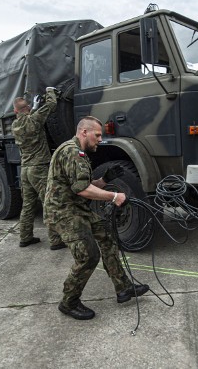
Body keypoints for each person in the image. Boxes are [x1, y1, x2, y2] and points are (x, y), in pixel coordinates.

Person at [44, 116, 149, 320]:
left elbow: (81, 184)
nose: (100, 139)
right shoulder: (72, 152)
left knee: (107, 238)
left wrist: (104, 180)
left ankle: (123, 288)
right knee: (88, 256)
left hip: (77, 208)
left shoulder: (78, 151)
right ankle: (69, 302)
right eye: (97, 135)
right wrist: (114, 196)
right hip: (63, 212)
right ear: (84, 132)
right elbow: (82, 190)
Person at [11, 88, 65, 250]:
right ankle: (55, 240)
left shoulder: (15, 125)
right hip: (39, 168)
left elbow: (28, 119)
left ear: (15, 111)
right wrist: (49, 91)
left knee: (28, 205)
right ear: (27, 108)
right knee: (48, 203)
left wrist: (32, 109)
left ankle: (25, 237)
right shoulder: (35, 119)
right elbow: (51, 104)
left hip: (25, 169)